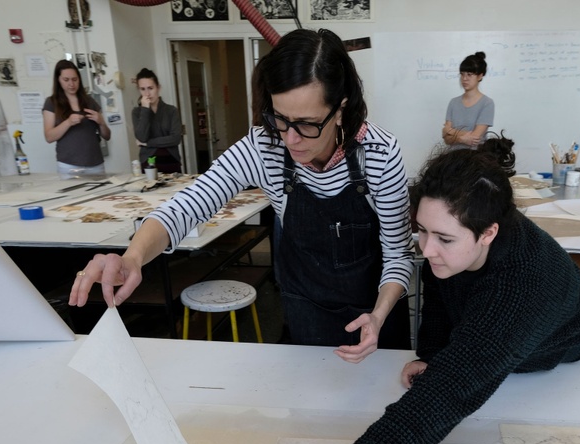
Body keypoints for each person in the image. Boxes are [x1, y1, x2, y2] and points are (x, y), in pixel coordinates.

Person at [242, 148, 580, 444]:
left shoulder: (523, 286)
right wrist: (431, 355)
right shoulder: (458, 242)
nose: (426, 248)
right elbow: (440, 289)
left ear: (489, 232)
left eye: (443, 238)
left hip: (570, 368)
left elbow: (445, 397)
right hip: (510, 357)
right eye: (422, 230)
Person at [70, 28, 413, 359]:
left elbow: (398, 255)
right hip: (307, 306)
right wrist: (132, 257)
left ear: (340, 109)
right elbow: (186, 207)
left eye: (307, 124)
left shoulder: (379, 154)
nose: (290, 139)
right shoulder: (264, 146)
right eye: (280, 118)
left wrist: (379, 315)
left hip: (377, 308)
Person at [43, 60, 110, 177]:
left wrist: (101, 122)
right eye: (66, 80)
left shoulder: (89, 101)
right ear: (58, 80)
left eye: (75, 79)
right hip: (69, 166)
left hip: (95, 164)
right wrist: (68, 122)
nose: (71, 84)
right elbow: (49, 137)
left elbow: (107, 136)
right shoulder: (51, 102)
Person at [131, 68, 183, 173]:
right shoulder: (137, 112)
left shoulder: (171, 110)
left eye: (150, 88)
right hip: (148, 163)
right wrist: (145, 109)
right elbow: (141, 137)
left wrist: (148, 143)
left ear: (158, 88)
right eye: (143, 89)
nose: (147, 93)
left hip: (171, 161)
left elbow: (175, 139)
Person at [441, 51, 494, 150]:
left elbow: (474, 138)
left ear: (480, 76)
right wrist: (462, 138)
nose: (464, 79)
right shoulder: (453, 102)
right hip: (452, 159)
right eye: (462, 74)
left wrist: (451, 131)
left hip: (475, 160)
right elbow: (446, 139)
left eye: (469, 74)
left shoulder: (487, 103)